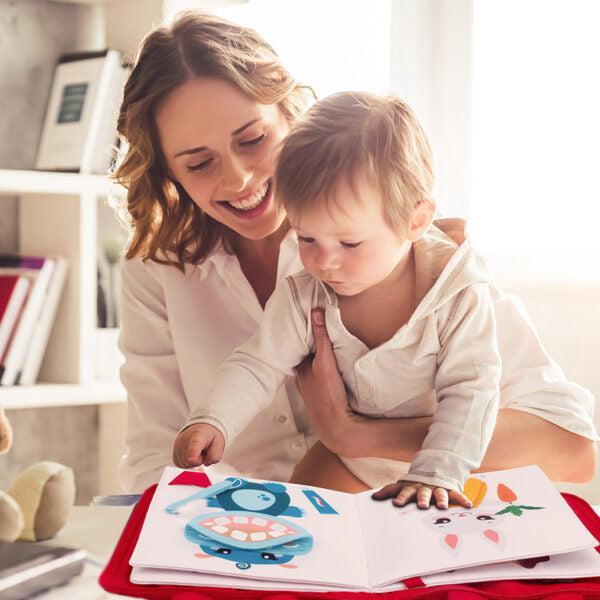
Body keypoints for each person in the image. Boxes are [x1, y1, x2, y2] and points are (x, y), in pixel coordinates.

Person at [113, 10, 597, 496]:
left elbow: (572, 448)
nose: (238, 178)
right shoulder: (158, 266)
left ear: (290, 115)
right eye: (199, 163)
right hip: (256, 529)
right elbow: (158, 454)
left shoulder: (406, 244)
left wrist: (355, 435)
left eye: (254, 139)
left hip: (412, 504)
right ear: (168, 172)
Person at [173, 90, 503, 510]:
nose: (323, 261)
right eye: (306, 237)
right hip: (347, 460)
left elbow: (472, 392)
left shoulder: (458, 294)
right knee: (301, 523)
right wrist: (212, 418)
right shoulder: (304, 292)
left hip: (444, 463)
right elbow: (258, 363)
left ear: (414, 221)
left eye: (349, 242)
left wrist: (435, 471)